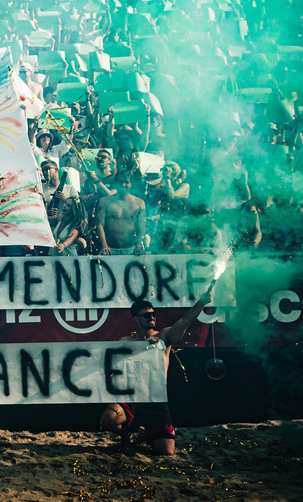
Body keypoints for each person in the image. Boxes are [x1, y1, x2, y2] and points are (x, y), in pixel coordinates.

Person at [100, 282, 215, 455]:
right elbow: (111, 364)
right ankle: (126, 436)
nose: (152, 318)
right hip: (132, 398)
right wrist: (139, 350)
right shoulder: (126, 342)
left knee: (166, 451)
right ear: (136, 318)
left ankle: (142, 436)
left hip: (156, 401)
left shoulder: (164, 337)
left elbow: (185, 321)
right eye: (146, 315)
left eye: (153, 314)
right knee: (107, 420)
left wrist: (201, 303)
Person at [97, 171, 147, 254]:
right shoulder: (104, 201)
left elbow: (141, 226)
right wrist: (104, 245)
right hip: (109, 248)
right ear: (116, 183)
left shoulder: (139, 203)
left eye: (126, 182)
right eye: (121, 182)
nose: (123, 185)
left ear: (131, 183)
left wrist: (138, 245)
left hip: (131, 248)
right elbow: (99, 224)